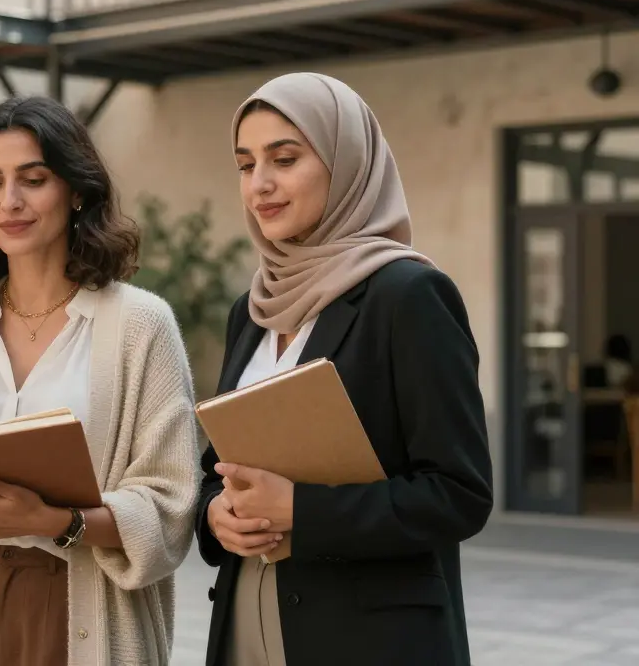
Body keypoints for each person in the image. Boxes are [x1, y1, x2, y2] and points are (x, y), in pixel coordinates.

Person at [0, 94, 199, 666]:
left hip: (81, 610)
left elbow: (170, 511)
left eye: (33, 178)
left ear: (76, 191)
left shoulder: (140, 326)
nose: (11, 202)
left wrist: (52, 522)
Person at [195, 72, 494, 666]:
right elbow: (216, 467)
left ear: (346, 161)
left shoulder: (408, 295)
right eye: (246, 165)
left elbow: (459, 494)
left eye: (284, 158)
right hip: (246, 620)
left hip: (370, 638)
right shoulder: (253, 308)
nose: (261, 184)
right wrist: (214, 514)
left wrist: (301, 512)